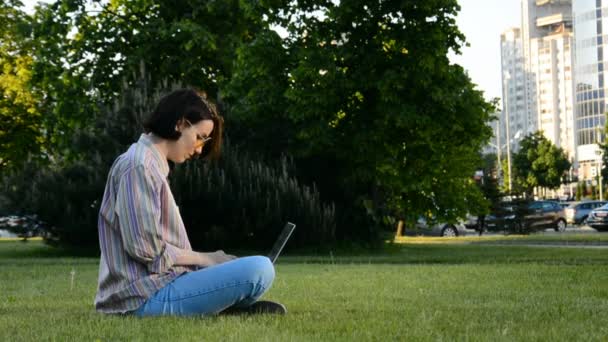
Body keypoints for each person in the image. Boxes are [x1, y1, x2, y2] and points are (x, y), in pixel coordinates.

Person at [94, 89, 286, 317]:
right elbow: (146, 249)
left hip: (158, 287)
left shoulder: (149, 166)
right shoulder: (139, 166)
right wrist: (207, 259)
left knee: (256, 269)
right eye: (200, 137)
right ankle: (222, 306)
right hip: (141, 298)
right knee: (260, 268)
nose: (200, 150)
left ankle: (221, 306)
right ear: (180, 124)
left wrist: (209, 263)